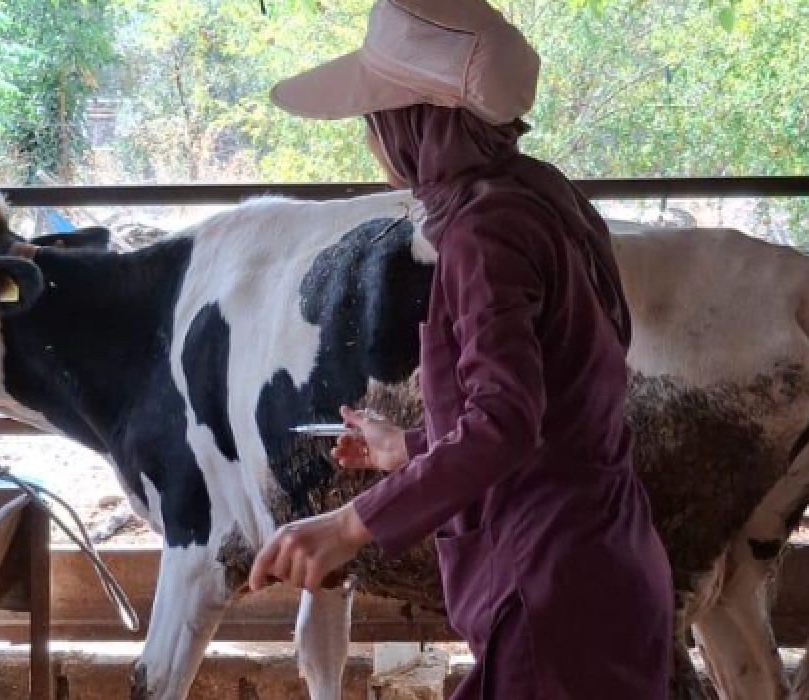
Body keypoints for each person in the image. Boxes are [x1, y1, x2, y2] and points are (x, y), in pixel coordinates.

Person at [247, 1, 673, 697]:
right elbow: (556, 405)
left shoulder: (483, 234)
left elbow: (505, 424)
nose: (370, 135)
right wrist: (408, 448)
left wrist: (350, 525)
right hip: (607, 565)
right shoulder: (542, 195)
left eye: (374, 115)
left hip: (550, 593)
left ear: (418, 121)